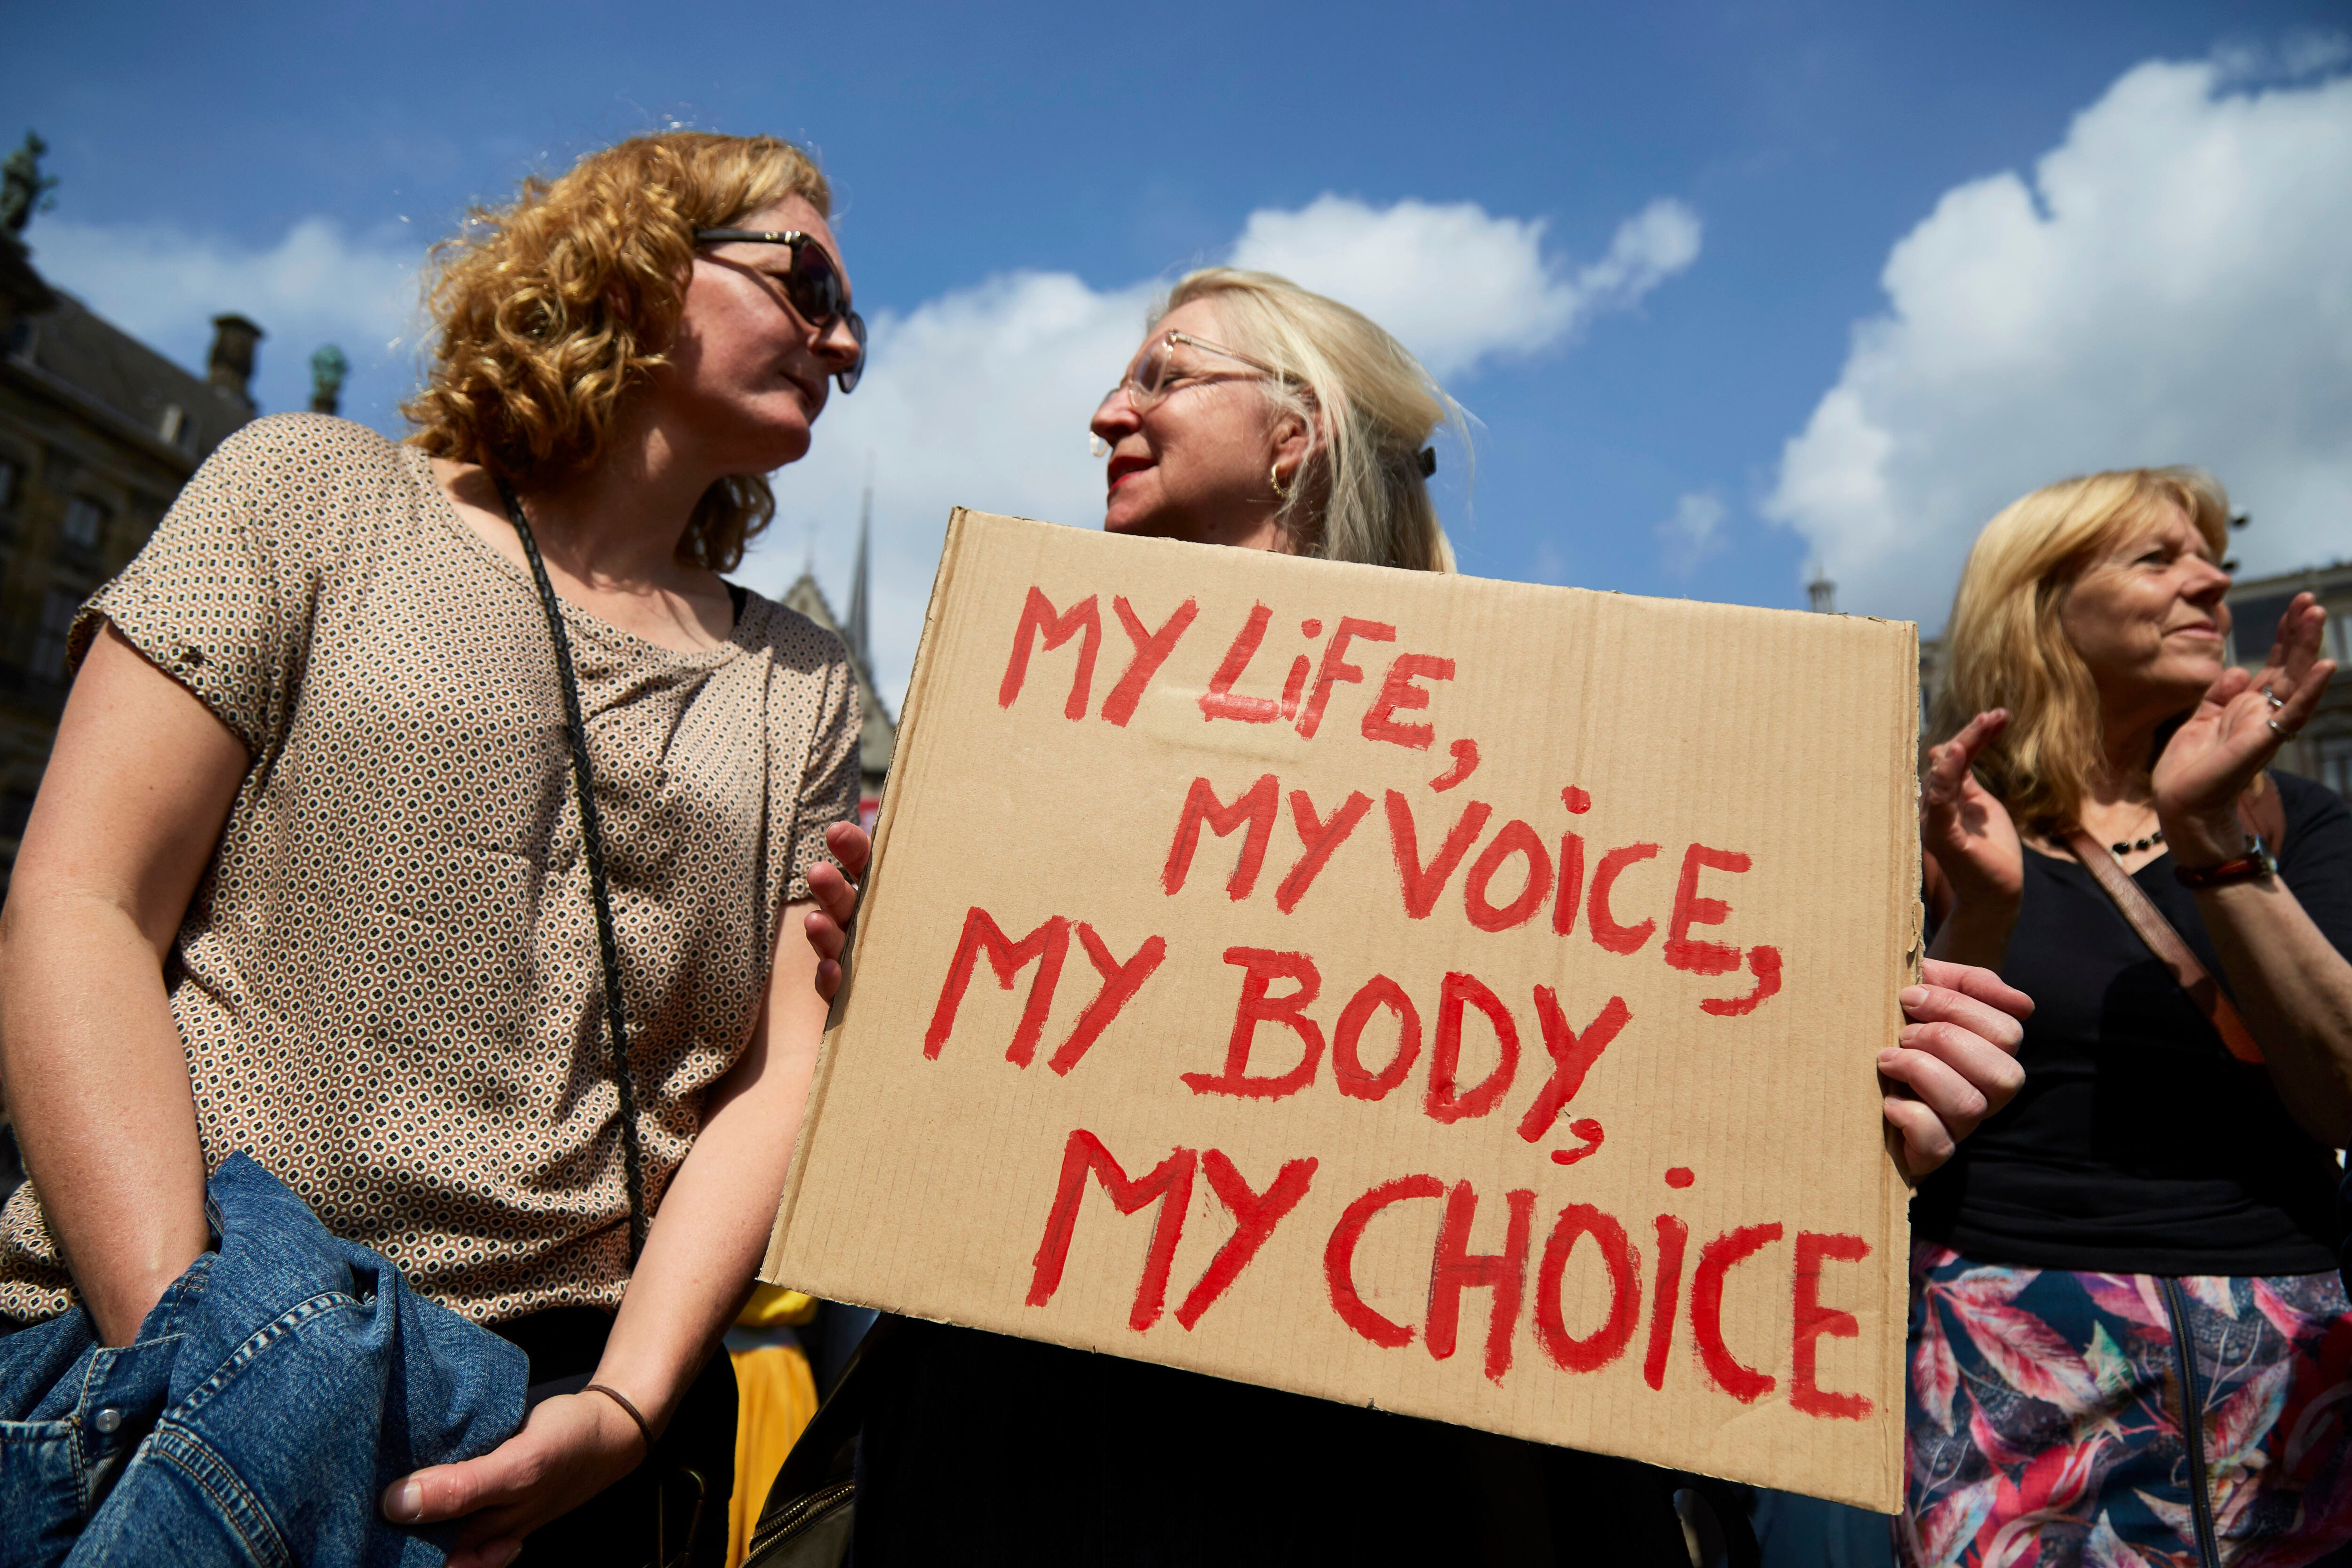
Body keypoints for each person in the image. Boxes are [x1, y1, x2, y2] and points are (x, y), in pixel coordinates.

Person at [794, 267, 2035, 1566]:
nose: (1109, 410)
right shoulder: (1028, 723)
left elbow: (1661, 1084)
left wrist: (1865, 1086)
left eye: (1163, 373)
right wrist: (887, 978)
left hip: (1374, 1465)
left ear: (1296, 437)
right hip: (1033, 1424)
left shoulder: (1544, 762)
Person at [0, 130, 866, 1568]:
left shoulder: (806, 685)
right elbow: (80, 900)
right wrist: (215, 1351)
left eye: (854, 323)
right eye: (811, 279)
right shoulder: (311, 492)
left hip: (551, 1433)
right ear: (647, 258)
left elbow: (780, 1078)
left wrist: (629, 1406)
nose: (842, 342)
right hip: (160, 1354)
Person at [1906, 468, 2352, 1566]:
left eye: (2209, 557)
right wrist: (1981, 910)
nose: (2212, 579)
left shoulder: (2299, 822)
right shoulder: (1930, 832)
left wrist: (2208, 835)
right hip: (2010, 1356)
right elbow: (1896, 1118)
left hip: (2290, 1352)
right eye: (2158, 559)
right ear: (2041, 604)